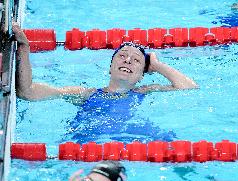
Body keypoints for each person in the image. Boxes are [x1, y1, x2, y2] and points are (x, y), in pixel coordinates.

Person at [13, 22, 198, 143]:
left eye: (136, 60)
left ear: (141, 75)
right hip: (86, 145)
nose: (127, 60)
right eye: (122, 56)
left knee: (171, 142)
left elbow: (189, 88)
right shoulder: (84, 93)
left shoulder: (144, 91)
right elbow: (27, 92)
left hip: (131, 141)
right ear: (110, 68)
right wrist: (24, 47)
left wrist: (157, 65)